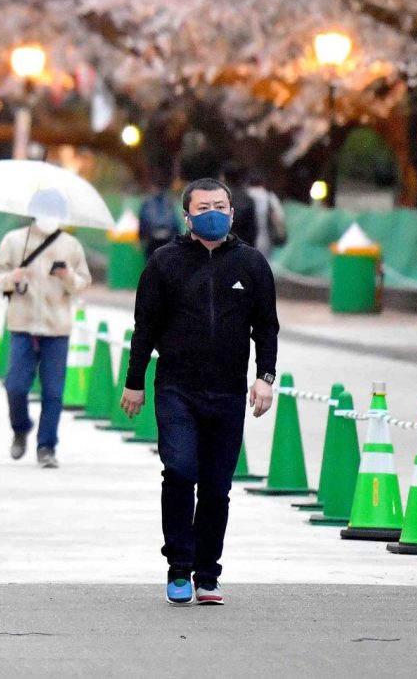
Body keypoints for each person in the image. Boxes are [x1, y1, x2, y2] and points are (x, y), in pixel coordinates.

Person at [121, 178, 278, 607]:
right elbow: (145, 328)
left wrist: (266, 377)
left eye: (221, 206)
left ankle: (208, 573)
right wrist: (134, 382)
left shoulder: (251, 264)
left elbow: (266, 326)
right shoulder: (164, 263)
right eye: (204, 206)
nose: (214, 212)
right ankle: (178, 566)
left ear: (232, 213)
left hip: (228, 392)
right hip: (177, 389)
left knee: (216, 486)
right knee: (180, 470)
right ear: (186, 215)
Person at [0, 208, 93, 468]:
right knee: (15, 385)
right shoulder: (14, 241)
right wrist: (11, 278)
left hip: (56, 328)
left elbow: (83, 283)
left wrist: (68, 275)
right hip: (22, 324)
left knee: (54, 392)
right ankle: (20, 427)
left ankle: (46, 446)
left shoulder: (71, 246)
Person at [244, 171, 287, 257]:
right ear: (263, 182)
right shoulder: (269, 197)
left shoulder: (243, 196)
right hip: (265, 241)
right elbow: (280, 218)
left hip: (244, 241)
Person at [138, 180, 181, 260]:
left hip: (151, 238)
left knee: (151, 262)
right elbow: (175, 222)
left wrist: (140, 238)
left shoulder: (147, 202)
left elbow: (142, 222)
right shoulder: (169, 202)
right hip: (167, 237)